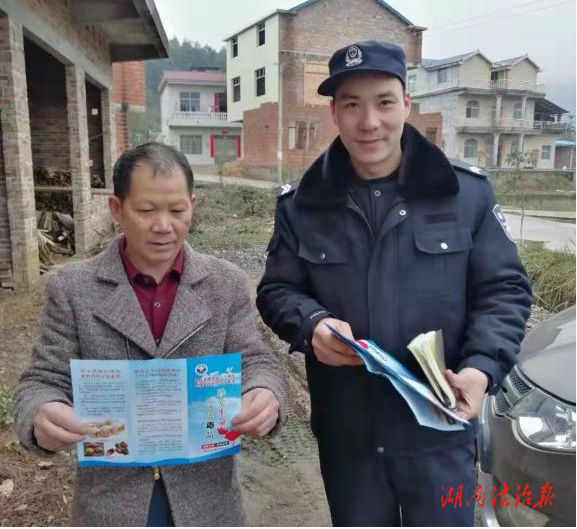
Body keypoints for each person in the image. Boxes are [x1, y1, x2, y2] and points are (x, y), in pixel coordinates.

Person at [257, 41, 532, 527]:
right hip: (350, 441)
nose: (369, 122)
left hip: (441, 432)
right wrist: (313, 324)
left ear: (406, 104)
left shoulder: (465, 194)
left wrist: (481, 369)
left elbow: (504, 291)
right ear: (334, 113)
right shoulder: (302, 205)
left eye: (384, 102)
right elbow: (277, 290)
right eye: (352, 105)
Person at [13, 142, 287, 527]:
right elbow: (42, 380)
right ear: (117, 209)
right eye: (146, 210)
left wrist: (265, 393)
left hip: (209, 503)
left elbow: (256, 360)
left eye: (177, 210)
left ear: (192, 205)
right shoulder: (73, 289)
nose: (163, 226)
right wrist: (41, 413)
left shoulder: (225, 284)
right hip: (110, 506)